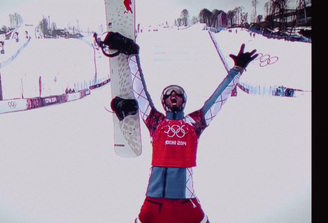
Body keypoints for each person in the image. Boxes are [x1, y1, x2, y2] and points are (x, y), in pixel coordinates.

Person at [102, 32, 258, 223]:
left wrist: (238, 69)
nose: (173, 95)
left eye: (178, 94)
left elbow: (219, 98)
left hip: (186, 203)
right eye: (169, 94)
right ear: (164, 101)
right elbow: (140, 91)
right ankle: (126, 107)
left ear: (183, 101)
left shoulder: (195, 123)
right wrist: (133, 54)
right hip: (153, 203)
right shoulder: (155, 122)